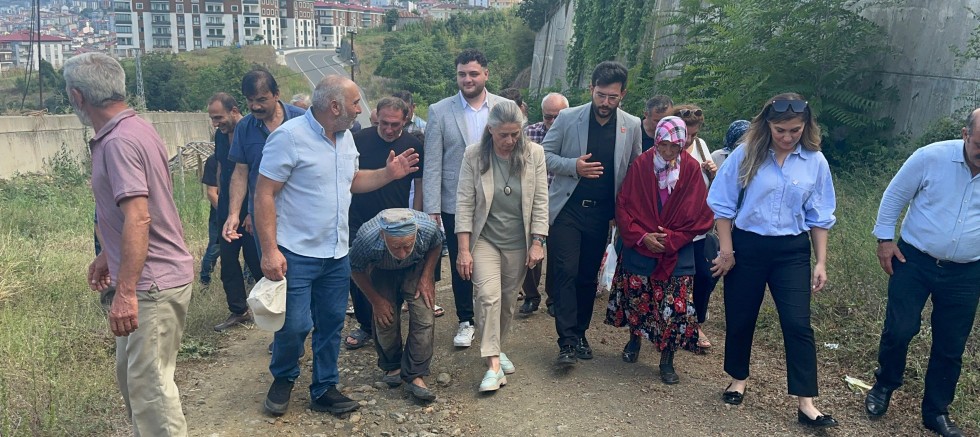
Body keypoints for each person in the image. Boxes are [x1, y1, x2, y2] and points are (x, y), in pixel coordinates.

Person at [253, 74, 419, 416]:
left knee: (330, 324)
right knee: (296, 324)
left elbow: (353, 181)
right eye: (356, 103)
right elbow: (264, 193)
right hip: (295, 253)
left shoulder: (346, 139)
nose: (361, 110)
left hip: (336, 252)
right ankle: (283, 377)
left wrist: (389, 174)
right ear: (334, 106)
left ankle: (324, 387)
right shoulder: (289, 138)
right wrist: (269, 250)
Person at [66, 52, 194, 436]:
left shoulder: (119, 141)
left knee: (152, 392)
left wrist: (125, 293)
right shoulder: (136, 128)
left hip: (151, 283)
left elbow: (139, 216)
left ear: (77, 96)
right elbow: (140, 208)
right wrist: (109, 253)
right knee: (136, 383)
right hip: (152, 276)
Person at [707, 93, 838, 428]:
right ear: (767, 124)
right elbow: (722, 205)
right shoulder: (746, 154)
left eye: (795, 129)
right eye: (780, 129)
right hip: (747, 245)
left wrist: (820, 262)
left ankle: (806, 402)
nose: (787, 136)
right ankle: (738, 379)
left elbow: (820, 216)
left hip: (791, 251)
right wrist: (727, 250)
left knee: (797, 323)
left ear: (805, 127)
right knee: (741, 316)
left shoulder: (815, 161)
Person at [865, 108, 980, 437]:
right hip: (914, 259)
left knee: (951, 343)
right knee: (900, 329)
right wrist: (884, 241)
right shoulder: (931, 157)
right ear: (965, 135)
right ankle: (884, 384)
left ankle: (936, 411)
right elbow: (895, 196)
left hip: (967, 270)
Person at [543, 61, 642, 366]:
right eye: (601, 95)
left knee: (587, 277)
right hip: (566, 211)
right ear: (591, 89)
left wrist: (623, 213)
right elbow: (542, 155)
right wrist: (574, 166)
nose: (605, 103)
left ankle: (581, 333)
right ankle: (567, 341)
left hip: (602, 215)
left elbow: (634, 172)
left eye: (613, 97)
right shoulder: (568, 118)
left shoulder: (632, 125)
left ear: (622, 94)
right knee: (565, 272)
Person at [605, 116, 713, 383]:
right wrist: (642, 237)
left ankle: (667, 359)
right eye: (663, 145)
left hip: (677, 249)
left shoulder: (690, 169)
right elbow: (625, 205)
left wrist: (673, 238)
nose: (667, 152)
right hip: (642, 246)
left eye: (674, 147)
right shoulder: (642, 164)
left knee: (674, 306)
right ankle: (634, 340)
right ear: (656, 141)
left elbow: (701, 214)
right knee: (638, 297)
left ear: (682, 144)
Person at [454, 101, 549, 391]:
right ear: (490, 130)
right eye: (503, 135)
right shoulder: (474, 155)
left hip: (518, 243)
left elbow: (541, 201)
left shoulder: (534, 154)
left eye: (515, 134)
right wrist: (463, 249)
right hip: (485, 239)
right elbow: (464, 202)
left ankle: (496, 346)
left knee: (507, 303)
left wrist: (538, 241)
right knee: (488, 298)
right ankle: (494, 365)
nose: (509, 141)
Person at [423, 48, 509, 348]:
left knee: (497, 259)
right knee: (463, 262)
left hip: (498, 200)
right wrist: (432, 208)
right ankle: (466, 320)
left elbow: (517, 155)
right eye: (462, 74)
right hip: (453, 201)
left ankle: (493, 319)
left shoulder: (506, 107)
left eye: (473, 73)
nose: (468, 79)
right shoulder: (439, 110)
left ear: (486, 74)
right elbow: (432, 162)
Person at [346, 97, 426, 351]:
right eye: (384, 123)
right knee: (358, 274)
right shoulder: (358, 141)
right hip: (359, 218)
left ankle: (390, 320)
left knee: (391, 271)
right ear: (375, 117)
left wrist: (417, 218)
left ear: (406, 120)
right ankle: (366, 325)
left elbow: (420, 185)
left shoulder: (413, 145)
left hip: (397, 221)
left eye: (395, 124)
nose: (389, 129)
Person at [349, 209, 444, 402]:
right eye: (396, 246)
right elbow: (355, 268)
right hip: (382, 268)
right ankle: (393, 364)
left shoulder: (427, 228)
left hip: (416, 266)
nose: (402, 253)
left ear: (416, 233)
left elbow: (436, 245)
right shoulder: (367, 238)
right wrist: (375, 300)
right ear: (383, 236)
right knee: (385, 318)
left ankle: (415, 374)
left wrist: (427, 277)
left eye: (407, 246)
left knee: (424, 314)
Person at [222, 69, 305, 254]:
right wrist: (234, 213)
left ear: (276, 95)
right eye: (250, 100)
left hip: (301, 215)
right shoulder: (244, 127)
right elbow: (241, 173)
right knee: (272, 270)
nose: (255, 106)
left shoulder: (303, 120)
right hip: (263, 216)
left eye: (261, 100)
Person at [208, 92, 263, 331]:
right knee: (228, 262)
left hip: (251, 211)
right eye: (212, 118)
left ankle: (274, 308)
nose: (215, 123)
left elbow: (259, 175)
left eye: (219, 117)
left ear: (234, 110)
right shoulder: (220, 137)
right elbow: (221, 167)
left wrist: (252, 211)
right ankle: (239, 310)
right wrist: (222, 204)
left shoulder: (252, 132)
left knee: (257, 261)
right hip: (228, 210)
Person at [673, 104, 718, 349]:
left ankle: (696, 324)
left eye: (693, 134)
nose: (688, 139)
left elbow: (712, 185)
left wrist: (713, 173)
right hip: (672, 226)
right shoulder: (666, 147)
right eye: (685, 133)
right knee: (672, 277)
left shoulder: (701, 147)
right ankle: (665, 323)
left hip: (699, 227)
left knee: (704, 274)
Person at [520, 92, 569, 316]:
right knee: (529, 250)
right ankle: (531, 295)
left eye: (557, 117)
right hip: (531, 201)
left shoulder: (573, 135)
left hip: (562, 203)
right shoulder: (528, 133)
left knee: (559, 254)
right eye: (548, 117)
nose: (552, 122)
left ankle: (554, 298)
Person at [200, 153, 221, 286]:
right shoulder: (214, 160)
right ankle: (204, 281)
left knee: (250, 253)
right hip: (219, 216)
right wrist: (227, 214)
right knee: (214, 249)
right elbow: (211, 193)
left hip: (245, 215)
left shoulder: (243, 156)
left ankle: (249, 284)